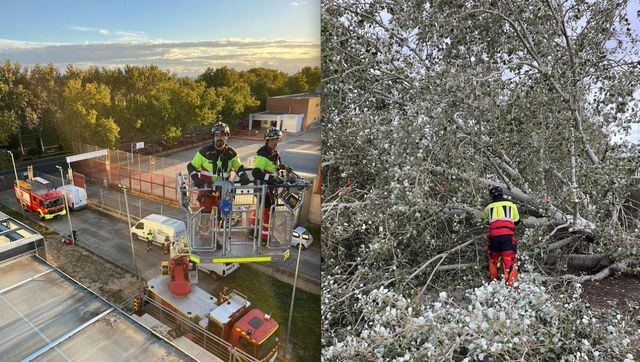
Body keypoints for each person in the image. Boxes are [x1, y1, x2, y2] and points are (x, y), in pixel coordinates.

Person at [187, 122, 251, 215]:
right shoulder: (204, 152)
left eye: (222, 135)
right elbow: (191, 166)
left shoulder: (232, 154)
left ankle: (220, 226)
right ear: (213, 137)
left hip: (224, 192)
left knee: (223, 217)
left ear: (227, 137)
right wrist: (195, 178)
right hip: (207, 191)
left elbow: (239, 167)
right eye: (217, 135)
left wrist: (243, 176)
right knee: (206, 217)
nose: (219, 138)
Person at [251, 126, 294, 241]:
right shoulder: (262, 155)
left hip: (269, 188)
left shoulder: (274, 153)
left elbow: (275, 165)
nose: (275, 142)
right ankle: (264, 238)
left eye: (276, 140)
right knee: (267, 212)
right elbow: (256, 172)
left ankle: (252, 230)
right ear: (267, 140)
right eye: (272, 140)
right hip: (263, 189)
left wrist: (284, 167)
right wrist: (271, 178)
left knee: (262, 211)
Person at [484, 185, 521, 287]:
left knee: (493, 259)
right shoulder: (511, 205)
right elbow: (517, 221)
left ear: (491, 196)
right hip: (508, 236)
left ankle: (494, 282)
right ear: (502, 194)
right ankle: (511, 286)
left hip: (494, 236)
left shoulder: (488, 208)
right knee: (510, 260)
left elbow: (487, 222)